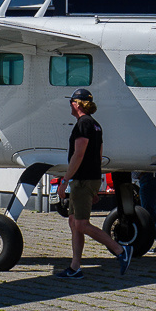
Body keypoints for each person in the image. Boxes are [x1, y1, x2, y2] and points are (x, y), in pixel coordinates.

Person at [56, 88, 132, 278]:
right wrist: (95, 188)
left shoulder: (83, 124)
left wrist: (64, 180)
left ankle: (121, 251)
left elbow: (78, 154)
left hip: (82, 180)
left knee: (80, 224)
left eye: (71, 102)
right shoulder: (96, 125)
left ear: (77, 104)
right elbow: (98, 155)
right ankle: (75, 267)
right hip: (88, 180)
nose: (70, 106)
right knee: (73, 222)